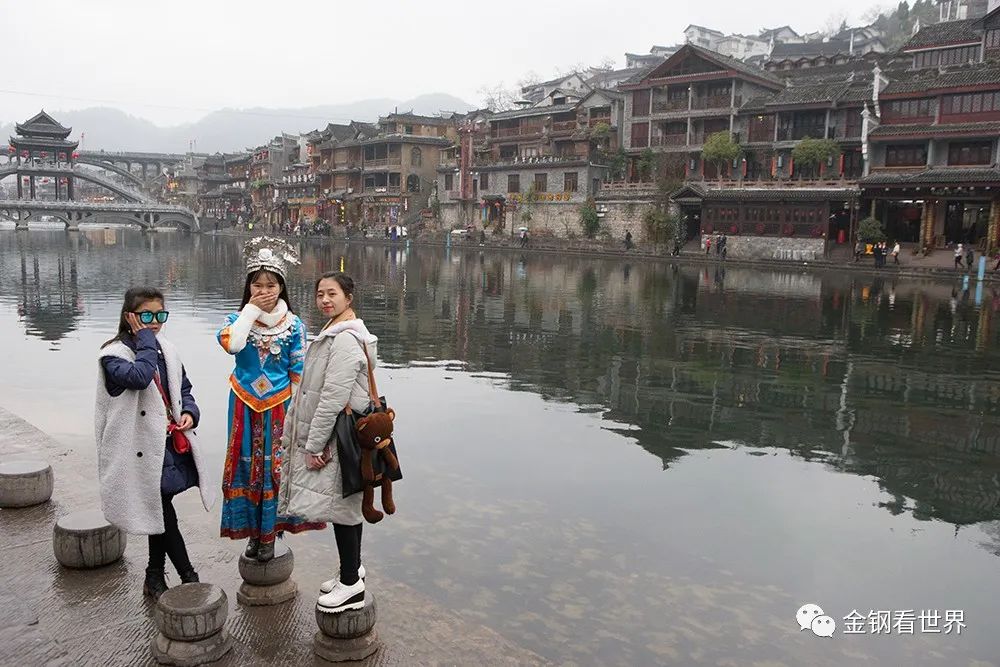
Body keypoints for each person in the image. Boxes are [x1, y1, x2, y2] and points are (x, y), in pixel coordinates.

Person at [96, 287, 216, 600]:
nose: (155, 322)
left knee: (159, 508)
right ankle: (188, 576)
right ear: (129, 317)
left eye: (160, 315)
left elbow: (183, 388)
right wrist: (147, 341)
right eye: (147, 315)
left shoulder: (168, 350)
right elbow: (139, 377)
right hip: (135, 449)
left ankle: (154, 574)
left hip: (166, 442)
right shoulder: (113, 355)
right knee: (161, 510)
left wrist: (190, 412)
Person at [217, 237, 324, 562]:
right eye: (257, 285)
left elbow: (299, 373)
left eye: (271, 285)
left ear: (282, 287)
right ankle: (253, 532)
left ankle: (270, 533)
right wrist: (250, 311)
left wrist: (301, 417)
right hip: (244, 405)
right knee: (247, 466)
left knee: (275, 468)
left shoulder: (294, 326)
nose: (264, 291)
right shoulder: (235, 322)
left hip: (280, 406)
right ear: (248, 287)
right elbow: (233, 346)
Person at [278, 272, 378, 614]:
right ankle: (353, 571)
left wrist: (314, 445)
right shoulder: (335, 332)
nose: (324, 300)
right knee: (344, 506)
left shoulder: (345, 339)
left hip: (338, 437)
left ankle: (351, 586)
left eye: (332, 294)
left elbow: (333, 397)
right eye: (320, 293)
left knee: (342, 508)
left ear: (348, 298)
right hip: (338, 434)